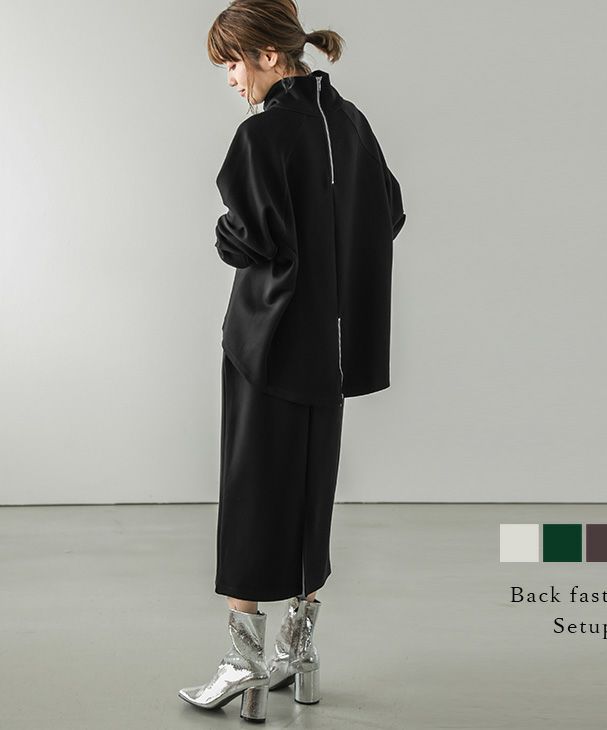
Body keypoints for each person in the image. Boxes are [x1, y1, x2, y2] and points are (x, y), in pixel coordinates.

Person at [178, 0, 406, 722]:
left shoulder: (263, 132)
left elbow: (248, 238)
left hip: (267, 341)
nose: (231, 79)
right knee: (311, 486)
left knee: (251, 486)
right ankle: (299, 653)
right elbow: (390, 212)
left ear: (269, 57)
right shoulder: (351, 122)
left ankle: (243, 661)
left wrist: (228, 231)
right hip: (332, 347)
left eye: (233, 62)